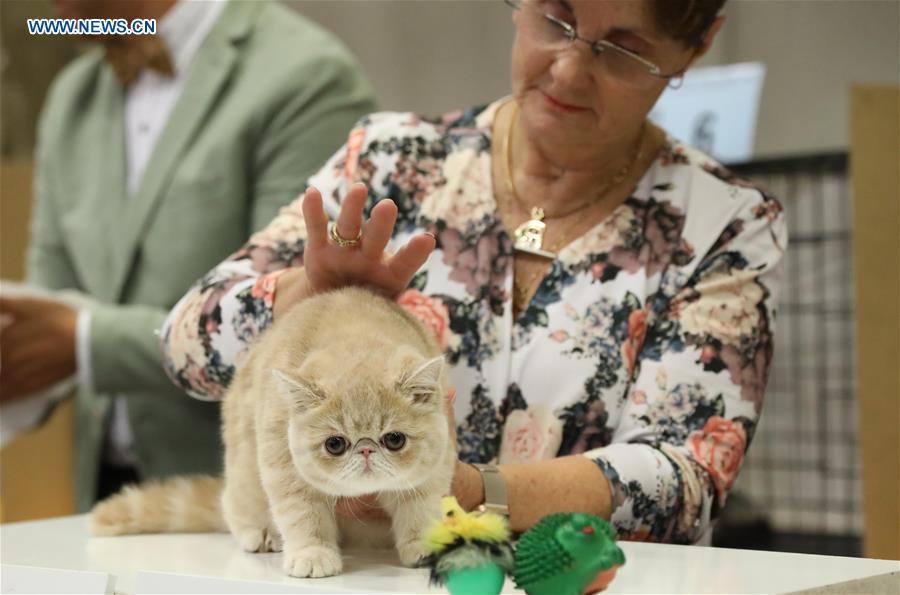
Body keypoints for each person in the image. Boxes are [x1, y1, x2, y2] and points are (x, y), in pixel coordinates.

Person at [160, 0, 786, 544]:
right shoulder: (389, 162)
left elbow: (685, 480)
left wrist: (457, 489)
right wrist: (305, 297)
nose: (569, 69)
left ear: (695, 46)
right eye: (556, 20)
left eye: (624, 49)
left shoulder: (721, 224)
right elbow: (186, 349)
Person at [0, 0, 376, 511]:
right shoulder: (72, 95)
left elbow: (298, 323)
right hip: (110, 496)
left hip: (256, 501)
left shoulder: (306, 74)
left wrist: (85, 341)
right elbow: (44, 316)